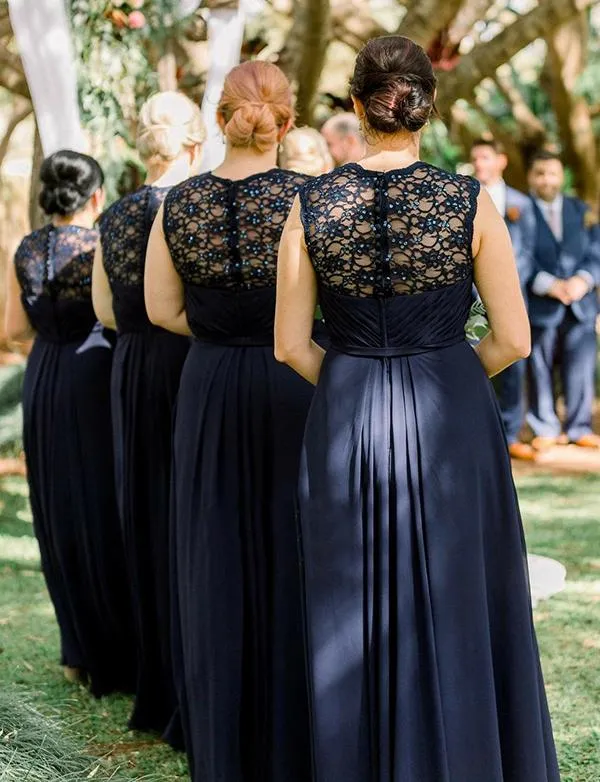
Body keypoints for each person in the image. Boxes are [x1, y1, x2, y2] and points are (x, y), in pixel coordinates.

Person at [276, 36, 560, 782]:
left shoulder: (309, 205)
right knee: (462, 587)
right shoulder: (469, 201)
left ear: (355, 106)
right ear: (425, 105)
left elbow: (289, 347)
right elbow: (513, 337)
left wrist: (352, 381)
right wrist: (448, 373)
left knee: (351, 600)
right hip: (451, 413)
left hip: (346, 411)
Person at [145, 61, 313, 782]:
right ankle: (299, 736)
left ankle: (222, 742)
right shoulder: (315, 198)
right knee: (296, 550)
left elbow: (160, 310)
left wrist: (219, 337)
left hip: (209, 384)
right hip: (294, 382)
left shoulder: (178, 204)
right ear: (287, 120)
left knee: (213, 553)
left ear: (221, 119)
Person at [92, 92, 204, 742]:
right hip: (187, 361)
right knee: (189, 516)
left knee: (146, 514)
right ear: (194, 146)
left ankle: (154, 680)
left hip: (131, 364)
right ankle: (193, 679)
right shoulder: (191, 206)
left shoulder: (115, 213)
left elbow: (104, 312)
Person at [5, 150, 136, 697]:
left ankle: (75, 651)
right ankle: (117, 651)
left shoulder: (27, 248)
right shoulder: (102, 245)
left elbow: (12, 327)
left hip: (44, 376)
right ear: (97, 197)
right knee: (103, 505)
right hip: (93, 373)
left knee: (54, 508)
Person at [527, 149, 600, 450]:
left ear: (561, 177)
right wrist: (549, 284)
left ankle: (579, 427)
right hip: (540, 303)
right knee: (539, 367)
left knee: (581, 366)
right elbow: (516, 257)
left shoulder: (581, 210)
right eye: (541, 173)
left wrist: (583, 280)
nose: (547, 180)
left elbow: (596, 251)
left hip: (581, 304)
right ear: (532, 177)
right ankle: (544, 427)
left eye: (553, 173)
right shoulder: (520, 211)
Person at [471, 138, 537, 460]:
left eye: (485, 157)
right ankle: (483, 434)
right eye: (475, 159)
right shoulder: (463, 200)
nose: (479, 164)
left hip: (511, 294)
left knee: (512, 365)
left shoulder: (521, 203)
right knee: (475, 362)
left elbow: (526, 250)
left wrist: (501, 286)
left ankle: (511, 434)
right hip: (468, 301)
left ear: (501, 160)